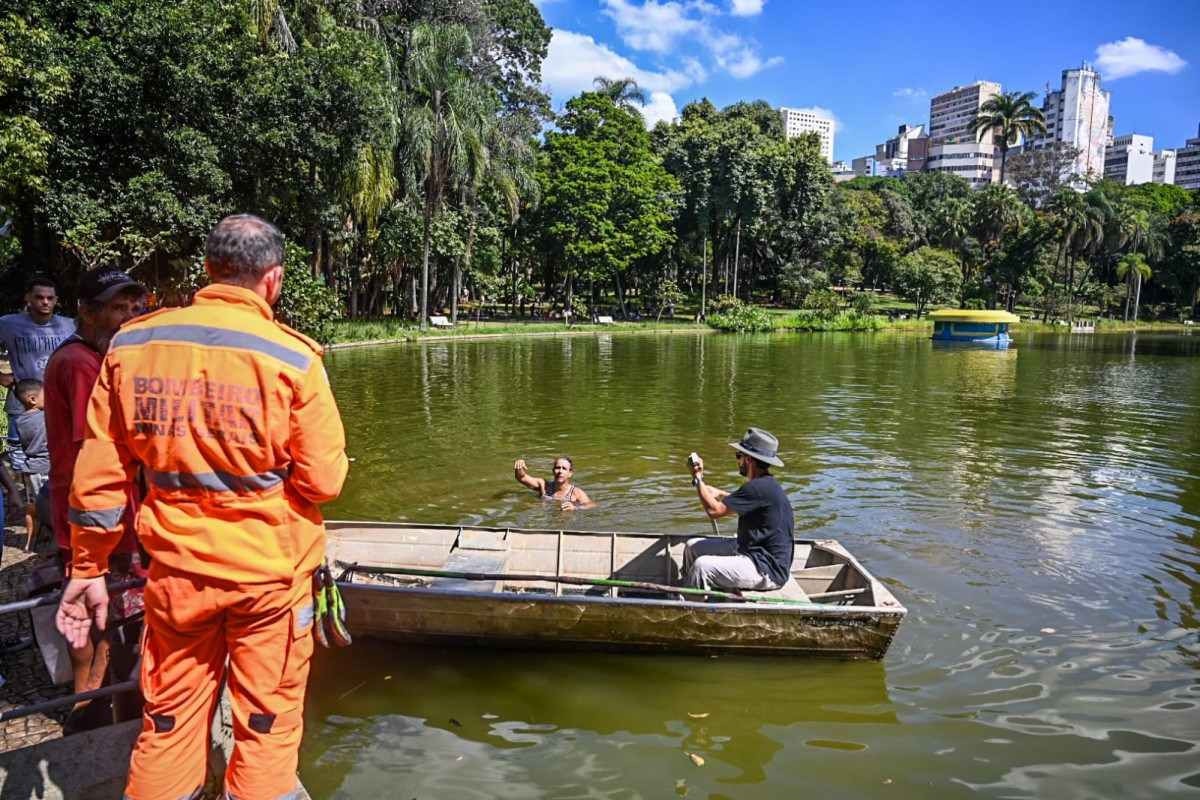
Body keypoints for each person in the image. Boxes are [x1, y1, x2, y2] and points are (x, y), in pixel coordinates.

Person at [56, 214, 348, 800]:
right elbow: (323, 482)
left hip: (177, 573)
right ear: (273, 280)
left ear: (209, 271)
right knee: (265, 723)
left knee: (167, 721)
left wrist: (87, 569)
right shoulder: (293, 359)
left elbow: (98, 476)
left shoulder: (133, 345)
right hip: (269, 577)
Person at [42, 268, 147, 726]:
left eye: (131, 307)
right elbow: (97, 446)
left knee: (110, 626)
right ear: (85, 311)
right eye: (115, 308)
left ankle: (98, 708)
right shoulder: (82, 364)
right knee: (106, 626)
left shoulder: (90, 359)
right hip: (98, 521)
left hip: (101, 514)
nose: (126, 317)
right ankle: (91, 715)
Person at [684, 427, 795, 592]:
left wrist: (698, 478)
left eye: (739, 456)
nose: (738, 461)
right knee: (692, 546)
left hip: (767, 568)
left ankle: (689, 607)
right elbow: (746, 503)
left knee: (702, 566)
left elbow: (714, 511)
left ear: (749, 460)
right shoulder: (764, 485)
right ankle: (690, 588)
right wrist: (720, 493)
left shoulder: (757, 487)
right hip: (751, 549)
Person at [0, 276, 75, 473]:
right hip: (23, 399)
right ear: (28, 298)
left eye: (50, 298)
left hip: (61, 399)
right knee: (19, 449)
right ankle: (23, 494)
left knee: (60, 449)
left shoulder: (69, 325)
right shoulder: (8, 324)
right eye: (39, 297)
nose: (45, 302)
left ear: (56, 300)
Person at [13, 379, 50, 537]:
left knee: (32, 507)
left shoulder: (20, 420)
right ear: (32, 399)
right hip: (44, 468)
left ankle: (30, 542)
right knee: (51, 507)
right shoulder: (44, 418)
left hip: (29, 469)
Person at [513, 456, 595, 510]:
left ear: (570, 473)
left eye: (564, 468)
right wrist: (519, 468)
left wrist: (576, 507)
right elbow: (522, 478)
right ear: (553, 471)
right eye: (557, 468)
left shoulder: (576, 493)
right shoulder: (544, 485)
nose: (560, 471)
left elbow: (592, 505)